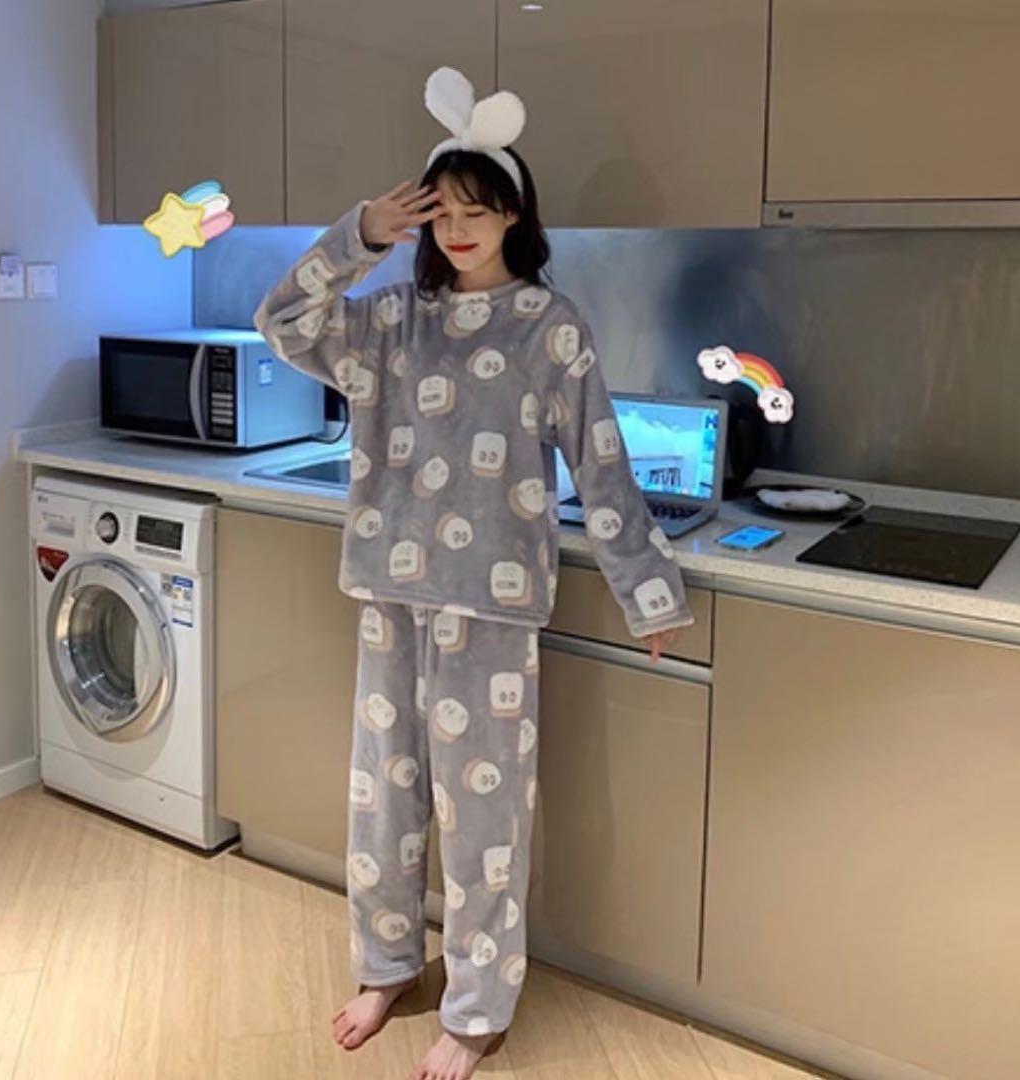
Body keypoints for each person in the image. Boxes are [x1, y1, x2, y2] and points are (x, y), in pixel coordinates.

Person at [254, 66, 696, 1080]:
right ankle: (385, 967)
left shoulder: (550, 325)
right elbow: (281, 322)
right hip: (388, 590)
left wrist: (648, 589)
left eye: (478, 210)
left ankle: (478, 1009)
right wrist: (357, 235)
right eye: (441, 212)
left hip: (490, 606)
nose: (458, 230)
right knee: (383, 801)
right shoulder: (388, 320)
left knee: (483, 818)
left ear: (513, 217)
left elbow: (600, 462)